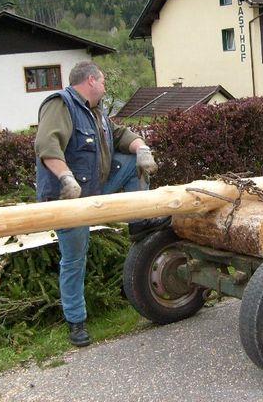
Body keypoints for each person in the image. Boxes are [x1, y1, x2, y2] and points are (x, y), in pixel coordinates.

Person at [35, 61, 169, 346]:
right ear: (91, 81)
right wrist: (66, 178)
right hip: (66, 196)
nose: (106, 86)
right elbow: (47, 146)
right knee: (74, 259)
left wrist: (143, 148)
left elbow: (120, 136)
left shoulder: (95, 113)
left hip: (95, 186)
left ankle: (139, 222)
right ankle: (76, 321)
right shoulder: (60, 105)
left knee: (133, 163)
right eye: (104, 81)